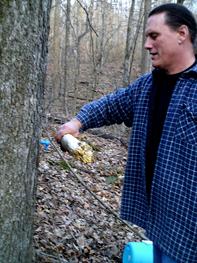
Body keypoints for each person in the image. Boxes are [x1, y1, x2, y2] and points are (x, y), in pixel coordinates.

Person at [55, 4, 197, 263]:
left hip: (190, 230)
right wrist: (77, 122)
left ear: (182, 34)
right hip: (159, 221)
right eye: (145, 36)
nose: (146, 44)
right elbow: (112, 104)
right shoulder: (147, 86)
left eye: (154, 36)